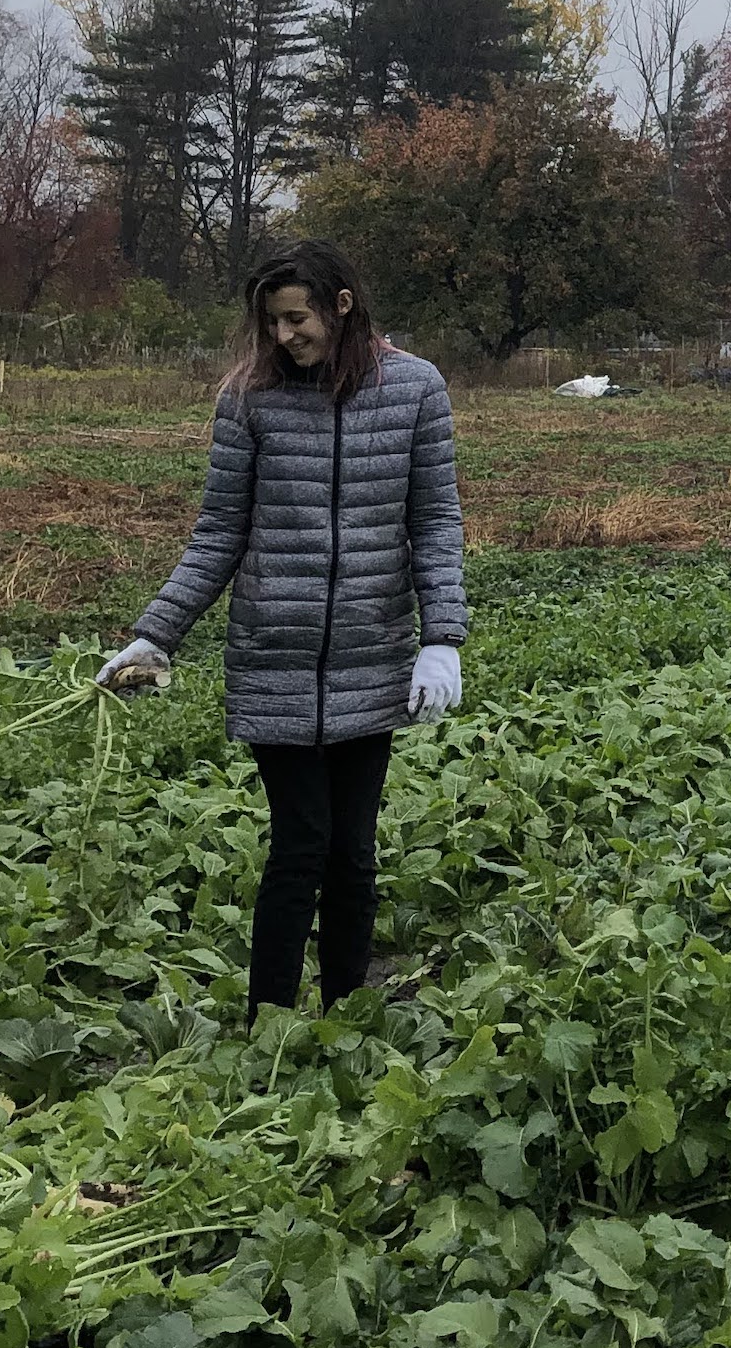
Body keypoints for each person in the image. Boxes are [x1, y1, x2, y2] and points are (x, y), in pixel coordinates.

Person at [96, 241, 467, 1016]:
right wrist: (155, 633)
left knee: (353, 856)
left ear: (340, 305)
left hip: (372, 653)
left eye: (295, 318)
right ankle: (269, 1024)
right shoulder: (250, 398)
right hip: (275, 655)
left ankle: (343, 1016)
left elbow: (433, 520)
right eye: (271, 322)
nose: (282, 336)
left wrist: (442, 637)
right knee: (300, 847)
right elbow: (218, 532)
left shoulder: (416, 388)